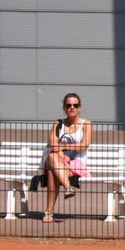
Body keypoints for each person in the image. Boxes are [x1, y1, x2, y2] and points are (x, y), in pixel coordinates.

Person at [42, 93, 93, 223]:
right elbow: (52, 143)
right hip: (57, 161)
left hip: (76, 164)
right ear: (64, 107)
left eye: (75, 105)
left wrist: (62, 147)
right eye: (68, 105)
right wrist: (60, 152)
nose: (72, 107)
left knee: (52, 170)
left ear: (79, 107)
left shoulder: (86, 124)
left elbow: (84, 145)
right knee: (53, 159)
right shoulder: (58, 123)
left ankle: (48, 213)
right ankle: (68, 188)